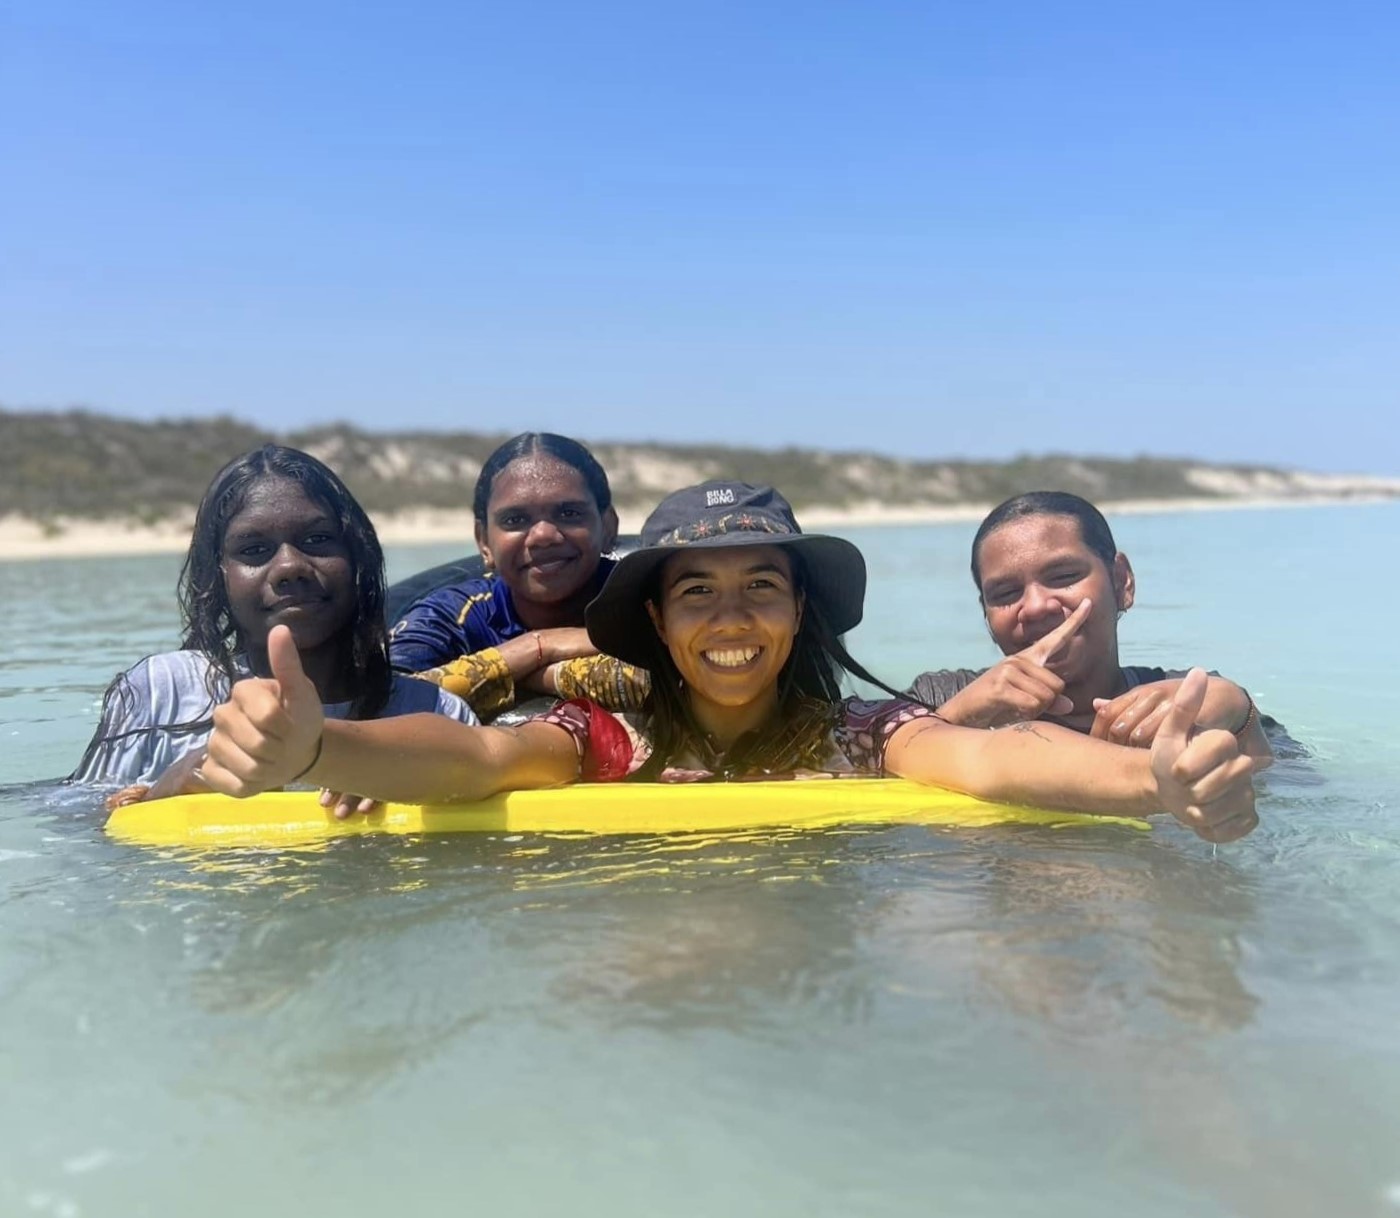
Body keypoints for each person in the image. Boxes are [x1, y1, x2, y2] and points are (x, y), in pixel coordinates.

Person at [196, 481, 1260, 844]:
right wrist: (321, 745)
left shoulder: (861, 736)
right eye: (695, 591)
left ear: (799, 613)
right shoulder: (601, 736)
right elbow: (474, 761)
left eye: (761, 585)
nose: (730, 615)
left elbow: (991, 762)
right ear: (657, 624)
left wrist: (1148, 782)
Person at [73, 444, 477, 805]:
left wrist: (378, 768)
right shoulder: (162, 691)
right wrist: (166, 791)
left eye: (318, 539)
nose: (289, 566)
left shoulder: (436, 713)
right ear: (219, 577)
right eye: (254, 550)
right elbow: (72, 830)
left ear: (359, 558)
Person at [907, 491, 1274, 765]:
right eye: (1005, 593)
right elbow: (859, 781)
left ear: (1121, 582)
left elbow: (1298, 790)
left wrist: (1241, 714)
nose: (1035, 607)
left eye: (1063, 576)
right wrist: (955, 718)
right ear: (986, 615)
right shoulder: (936, 698)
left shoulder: (1193, 700)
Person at [388, 431, 649, 720]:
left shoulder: (651, 599)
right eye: (515, 520)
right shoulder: (455, 616)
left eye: (569, 513)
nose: (543, 536)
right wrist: (537, 646)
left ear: (608, 526)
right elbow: (384, 705)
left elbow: (691, 680)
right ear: (484, 541)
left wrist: (538, 675)